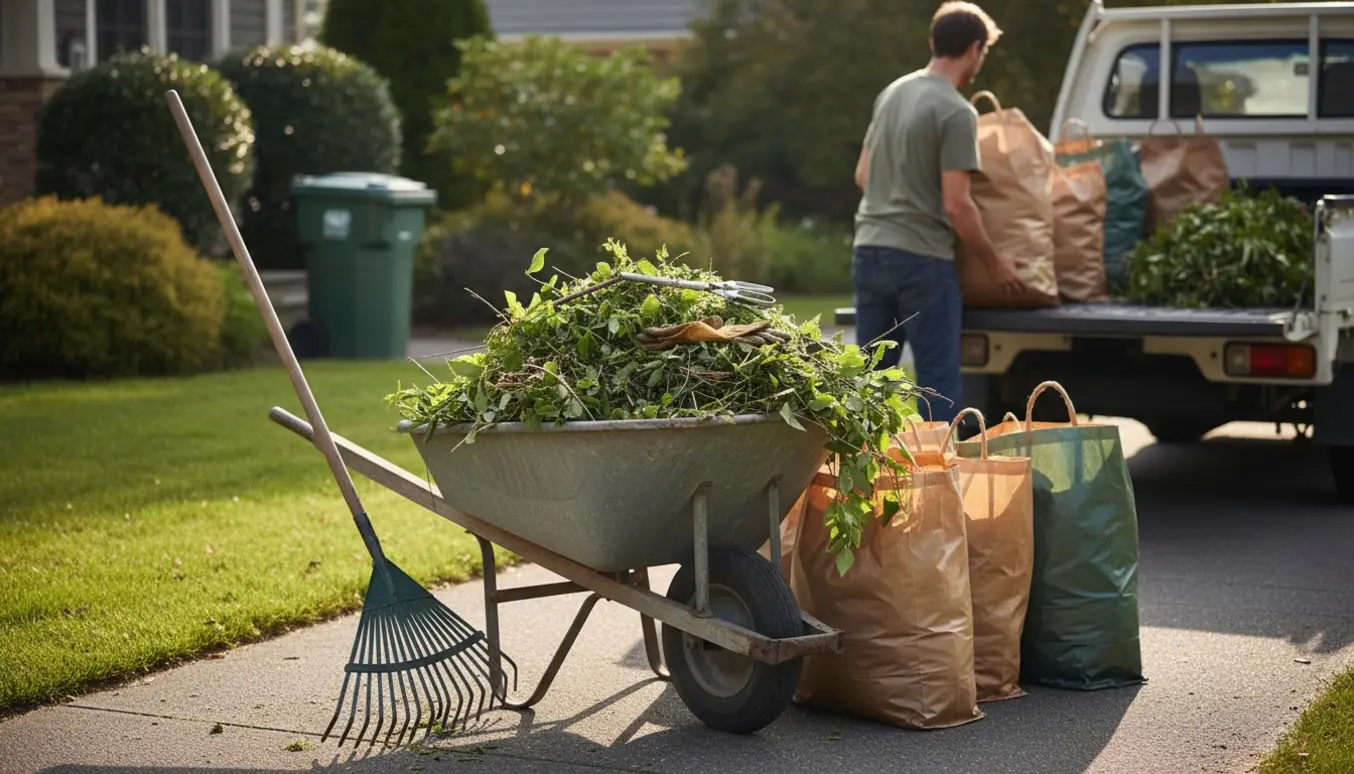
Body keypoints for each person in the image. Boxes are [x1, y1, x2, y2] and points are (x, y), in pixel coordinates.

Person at [851, 1, 1025, 424]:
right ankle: (939, 485)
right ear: (975, 49)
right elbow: (957, 204)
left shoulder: (892, 93)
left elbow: (862, 175)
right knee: (936, 387)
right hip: (921, 261)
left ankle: (869, 479)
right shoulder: (956, 111)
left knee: (872, 383)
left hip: (869, 250)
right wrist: (996, 264)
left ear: (932, 42)